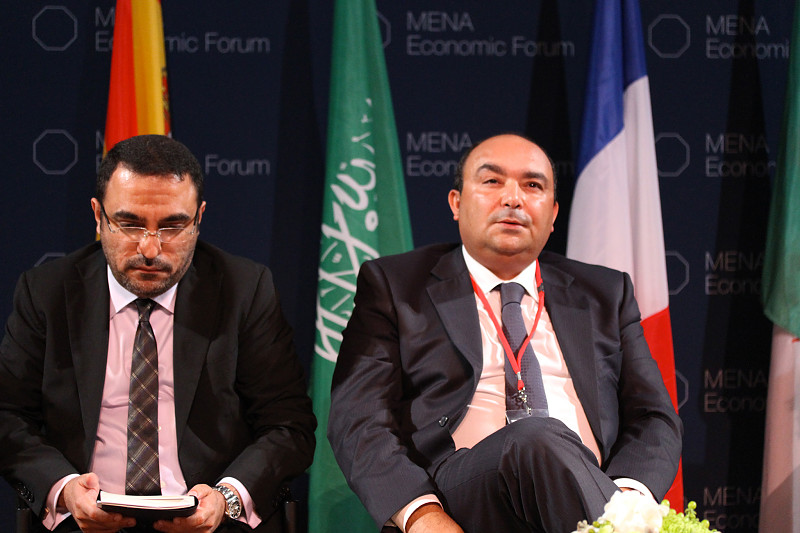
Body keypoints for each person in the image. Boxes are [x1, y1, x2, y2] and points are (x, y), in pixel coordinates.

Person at [328, 134, 682, 533]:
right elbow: (357, 418)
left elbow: (654, 417)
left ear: (553, 214)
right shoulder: (396, 286)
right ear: (456, 203)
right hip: (460, 495)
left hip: (583, 491)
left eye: (532, 185)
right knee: (533, 438)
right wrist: (423, 517)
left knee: (544, 444)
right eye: (492, 181)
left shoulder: (604, 293)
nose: (513, 198)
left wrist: (626, 501)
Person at [0, 135, 316, 533]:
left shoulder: (245, 290)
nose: (150, 249)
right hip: (83, 525)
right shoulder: (47, 292)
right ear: (98, 216)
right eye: (130, 224)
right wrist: (64, 491)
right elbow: (8, 416)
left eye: (172, 226)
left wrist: (226, 499)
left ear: (199, 219)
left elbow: (288, 427)